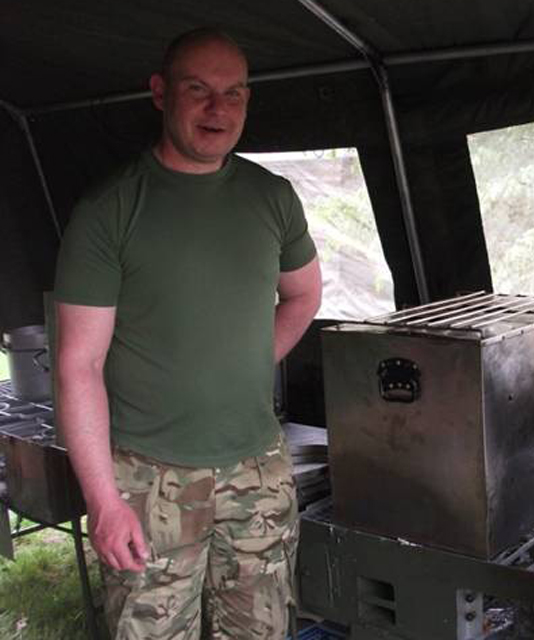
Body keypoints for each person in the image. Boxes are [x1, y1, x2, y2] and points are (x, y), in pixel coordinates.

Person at [53, 28, 322, 639]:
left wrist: (249, 361)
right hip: (148, 479)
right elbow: (78, 366)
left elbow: (303, 295)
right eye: (198, 90)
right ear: (160, 93)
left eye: (233, 94)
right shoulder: (110, 210)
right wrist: (103, 501)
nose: (216, 109)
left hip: (258, 472)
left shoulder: (273, 199)